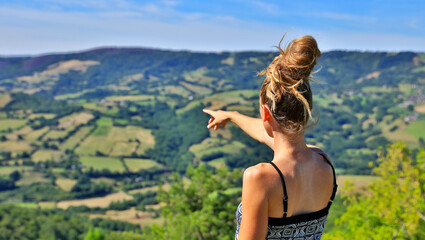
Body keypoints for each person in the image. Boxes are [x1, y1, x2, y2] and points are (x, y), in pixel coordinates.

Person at [203, 35, 337, 240]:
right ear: (305, 109)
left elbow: (275, 135)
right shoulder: (324, 163)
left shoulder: (260, 178)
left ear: (266, 113)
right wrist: (232, 116)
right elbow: (277, 137)